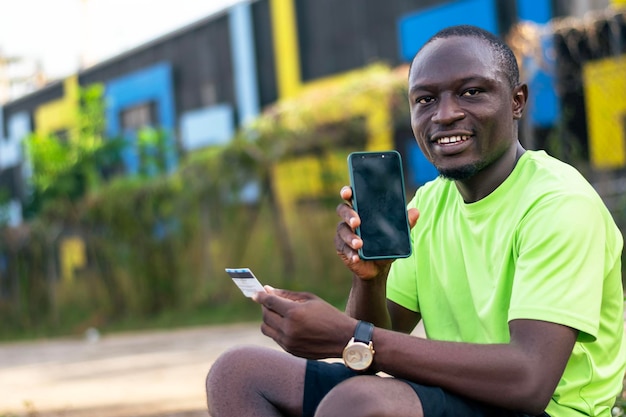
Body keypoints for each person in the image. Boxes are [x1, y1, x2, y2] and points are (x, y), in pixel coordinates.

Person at [206, 24, 626, 417]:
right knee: (238, 374)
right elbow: (368, 359)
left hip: (546, 408)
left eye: (472, 92)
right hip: (468, 395)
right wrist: (370, 279)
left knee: (361, 404)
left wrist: (352, 336)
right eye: (425, 99)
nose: (444, 115)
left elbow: (530, 380)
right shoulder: (430, 202)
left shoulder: (558, 204)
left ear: (517, 101)